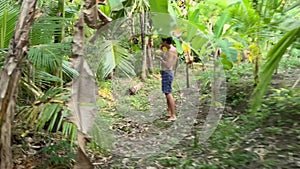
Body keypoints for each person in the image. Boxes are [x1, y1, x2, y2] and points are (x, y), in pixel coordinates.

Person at [155, 37, 178, 121]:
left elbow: (168, 65)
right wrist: (162, 48)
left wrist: (160, 59)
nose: (161, 43)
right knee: (166, 92)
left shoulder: (171, 51)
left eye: (162, 42)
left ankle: (173, 115)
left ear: (165, 41)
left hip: (168, 72)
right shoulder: (171, 49)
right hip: (167, 72)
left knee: (168, 93)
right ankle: (169, 112)